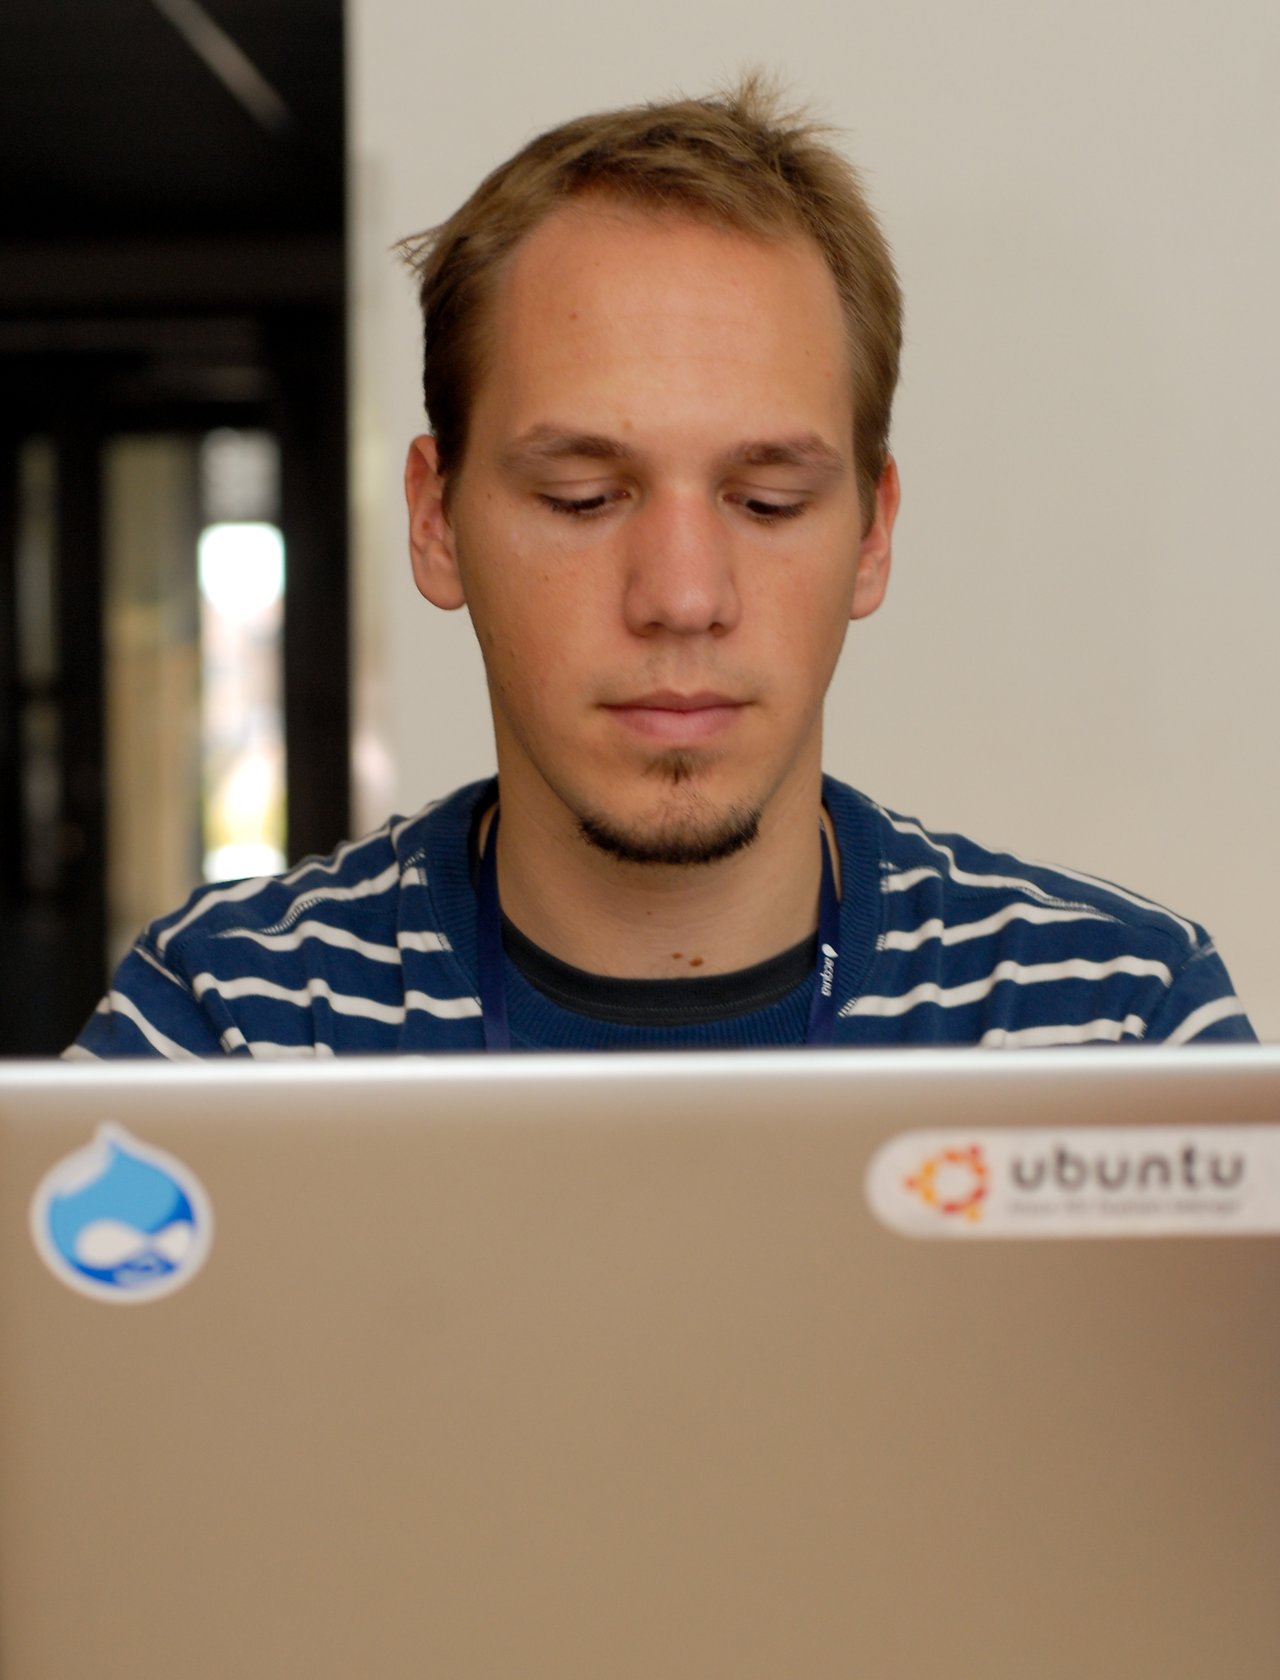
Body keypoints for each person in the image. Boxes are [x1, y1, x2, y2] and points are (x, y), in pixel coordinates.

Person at [71, 78, 1253, 1060]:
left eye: (766, 501)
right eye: (582, 498)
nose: (683, 597)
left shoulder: (1120, 1027)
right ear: (434, 520)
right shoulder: (229, 1023)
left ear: (871, 535)